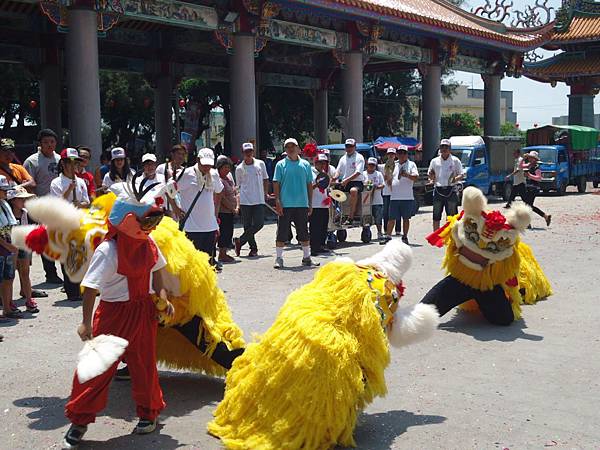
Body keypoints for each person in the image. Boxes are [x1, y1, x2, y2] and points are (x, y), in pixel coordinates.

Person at [61, 181, 173, 449]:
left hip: (143, 311)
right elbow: (90, 288)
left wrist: (163, 298)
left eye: (153, 222)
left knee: (145, 366)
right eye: (147, 222)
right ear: (127, 220)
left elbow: (158, 273)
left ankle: (148, 414)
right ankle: (80, 420)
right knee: (95, 370)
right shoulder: (108, 251)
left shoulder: (149, 244)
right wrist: (85, 322)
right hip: (113, 316)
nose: (151, 228)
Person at [422, 187, 552, 326]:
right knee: (422, 313)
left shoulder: (507, 246)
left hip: (487, 283)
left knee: (504, 319)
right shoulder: (466, 224)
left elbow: (509, 271)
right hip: (460, 279)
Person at [50, 148, 90, 301]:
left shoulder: (80, 181)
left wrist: (80, 204)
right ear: (63, 163)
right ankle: (71, 291)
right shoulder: (56, 183)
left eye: (76, 163)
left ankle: (80, 286)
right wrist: (68, 191)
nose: (74, 166)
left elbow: (87, 201)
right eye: (70, 162)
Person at [23, 128, 62, 284]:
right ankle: (51, 274)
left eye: (52, 142)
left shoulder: (60, 159)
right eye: (45, 142)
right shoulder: (31, 161)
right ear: (40, 144)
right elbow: (28, 185)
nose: (49, 145)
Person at [174, 148, 223, 269]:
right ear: (197, 160)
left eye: (209, 165)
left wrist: (215, 214)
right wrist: (176, 209)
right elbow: (169, 190)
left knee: (207, 264)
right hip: (191, 227)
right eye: (204, 164)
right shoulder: (187, 173)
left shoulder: (214, 174)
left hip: (209, 227)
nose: (207, 167)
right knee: (191, 264)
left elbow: (219, 191)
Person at [272, 138, 317, 269]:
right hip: (286, 204)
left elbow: (309, 184)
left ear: (298, 148)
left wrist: (310, 202)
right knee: (282, 232)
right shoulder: (280, 164)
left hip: (302, 203)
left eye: (293, 146)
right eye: (287, 147)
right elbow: (276, 183)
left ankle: (306, 257)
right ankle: (279, 258)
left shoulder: (305, 165)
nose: (290, 149)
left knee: (303, 231)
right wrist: (277, 201)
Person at [8, 187, 41, 313]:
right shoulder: (7, 213)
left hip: (23, 244)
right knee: (9, 276)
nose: (24, 201)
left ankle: (29, 299)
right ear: (13, 200)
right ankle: (9, 301)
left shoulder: (26, 213)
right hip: (10, 246)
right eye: (21, 199)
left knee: (25, 272)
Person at [234, 142, 269, 257]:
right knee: (247, 226)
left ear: (253, 152)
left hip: (258, 199)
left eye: (250, 151)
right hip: (245, 200)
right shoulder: (239, 168)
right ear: (243, 153)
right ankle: (253, 248)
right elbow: (238, 187)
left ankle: (240, 241)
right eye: (246, 152)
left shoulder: (260, 164)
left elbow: (265, 179)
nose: (248, 154)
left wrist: (265, 193)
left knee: (259, 224)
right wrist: (238, 203)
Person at [382, 146, 419, 245]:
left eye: (404, 153)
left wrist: (406, 175)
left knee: (406, 218)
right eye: (400, 153)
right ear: (397, 154)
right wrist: (388, 179)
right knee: (391, 218)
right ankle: (388, 236)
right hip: (394, 196)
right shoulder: (393, 165)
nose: (402, 155)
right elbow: (388, 178)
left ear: (407, 154)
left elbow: (416, 177)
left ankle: (405, 236)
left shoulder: (411, 164)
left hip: (406, 196)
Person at [428, 139, 464, 231]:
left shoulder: (455, 160)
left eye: (446, 147)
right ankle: (436, 236)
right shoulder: (434, 161)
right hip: (438, 189)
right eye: (442, 147)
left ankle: (452, 235)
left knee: (452, 215)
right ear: (439, 148)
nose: (444, 149)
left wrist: (455, 179)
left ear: (450, 149)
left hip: (451, 189)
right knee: (436, 215)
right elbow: (430, 174)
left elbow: (462, 174)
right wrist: (431, 177)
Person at [0, 175, 20, 322]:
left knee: (8, 278)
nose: (6, 193)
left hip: (8, 245)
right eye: (3, 190)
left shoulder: (5, 204)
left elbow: (11, 226)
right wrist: (8, 245)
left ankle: (7, 308)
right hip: (3, 246)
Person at [309, 153, 335, 256]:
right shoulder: (311, 172)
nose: (322, 165)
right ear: (315, 163)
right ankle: (314, 248)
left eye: (324, 163)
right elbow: (309, 187)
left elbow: (326, 187)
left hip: (324, 203)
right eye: (320, 163)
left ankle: (320, 246)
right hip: (315, 204)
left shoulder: (325, 173)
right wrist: (316, 183)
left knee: (323, 226)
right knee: (315, 227)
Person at [335, 138, 365, 224]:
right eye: (347, 146)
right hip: (344, 182)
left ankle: (351, 217)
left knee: (353, 191)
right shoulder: (342, 158)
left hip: (356, 182)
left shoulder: (359, 157)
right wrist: (333, 178)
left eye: (351, 146)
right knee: (332, 192)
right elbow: (338, 171)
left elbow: (358, 172)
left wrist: (347, 180)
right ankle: (337, 214)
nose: (349, 148)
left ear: (355, 147)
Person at [217, 157, 238, 263]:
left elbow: (235, 192)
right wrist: (232, 208)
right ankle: (222, 254)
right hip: (223, 211)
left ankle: (225, 253)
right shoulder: (218, 180)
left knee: (229, 232)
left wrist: (236, 207)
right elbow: (222, 198)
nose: (227, 169)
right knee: (224, 233)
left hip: (231, 211)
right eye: (224, 167)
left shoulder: (229, 179)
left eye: (228, 167)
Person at [522, 151, 552, 227]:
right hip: (529, 187)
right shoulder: (529, 166)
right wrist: (523, 158)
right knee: (529, 206)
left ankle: (527, 223)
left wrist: (529, 175)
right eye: (529, 158)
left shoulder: (537, 167)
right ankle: (545, 216)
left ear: (535, 159)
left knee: (528, 206)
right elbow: (520, 166)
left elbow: (539, 178)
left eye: (531, 158)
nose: (530, 159)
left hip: (533, 188)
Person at [363, 157, 385, 240]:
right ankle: (366, 233)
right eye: (370, 165)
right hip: (366, 201)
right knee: (366, 218)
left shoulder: (378, 174)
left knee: (378, 218)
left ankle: (379, 232)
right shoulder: (363, 174)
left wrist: (377, 187)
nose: (371, 166)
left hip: (377, 200)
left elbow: (383, 185)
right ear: (367, 165)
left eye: (373, 165)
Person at [379, 148, 397, 233]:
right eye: (389, 154)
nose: (391, 155)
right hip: (386, 191)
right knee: (385, 212)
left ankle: (398, 229)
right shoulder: (382, 166)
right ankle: (386, 230)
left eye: (392, 154)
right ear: (387, 155)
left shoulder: (397, 165)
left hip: (395, 191)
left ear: (395, 155)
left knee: (396, 211)